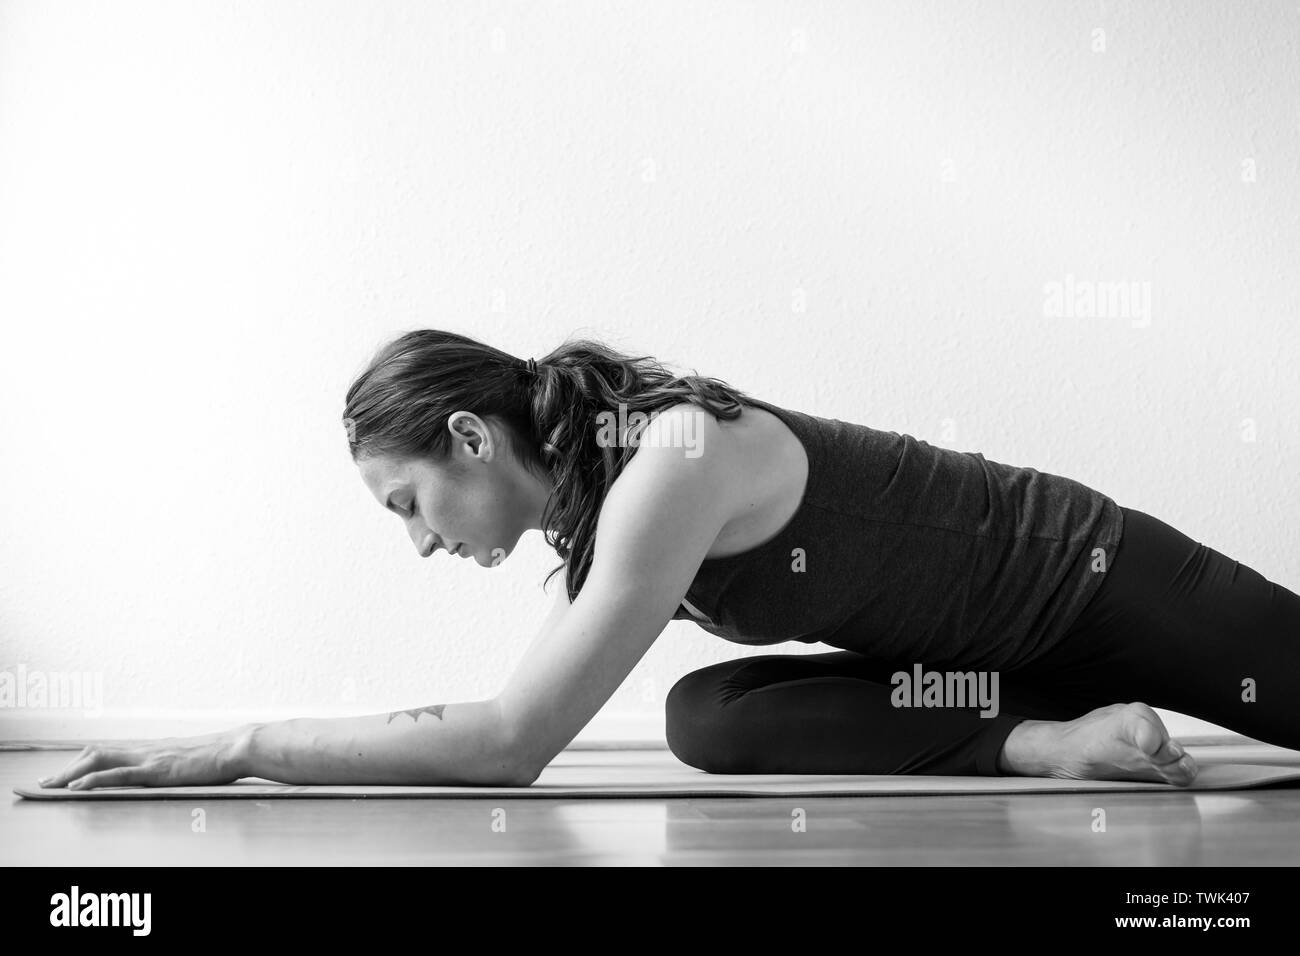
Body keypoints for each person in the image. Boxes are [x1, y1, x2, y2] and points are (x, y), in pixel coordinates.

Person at [38, 330, 1300, 790]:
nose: (422, 539)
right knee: (709, 714)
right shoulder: (602, 495)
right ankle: (1039, 739)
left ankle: (1047, 722)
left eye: (409, 502)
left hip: (1097, 583)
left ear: (471, 437)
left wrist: (251, 745)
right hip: (976, 673)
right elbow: (514, 723)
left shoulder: (668, 463)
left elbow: (505, 743)